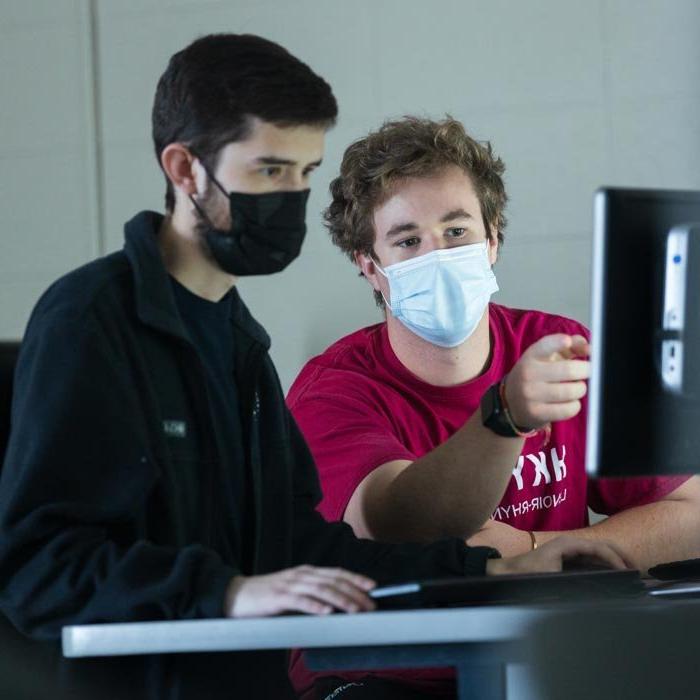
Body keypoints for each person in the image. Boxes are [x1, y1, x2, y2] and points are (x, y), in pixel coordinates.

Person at [0, 37, 627, 700]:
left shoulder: (237, 339)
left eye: (304, 173)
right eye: (270, 171)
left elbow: (307, 552)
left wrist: (501, 570)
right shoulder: (92, 319)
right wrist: (229, 592)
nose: (292, 198)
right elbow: (37, 570)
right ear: (185, 169)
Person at [287, 115, 700, 696]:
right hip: (385, 674)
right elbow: (397, 526)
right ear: (369, 265)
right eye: (407, 240)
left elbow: (693, 512)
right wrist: (507, 416)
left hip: (548, 660)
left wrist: (544, 558)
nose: (437, 254)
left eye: (456, 232)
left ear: (493, 240)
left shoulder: (561, 348)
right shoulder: (334, 390)